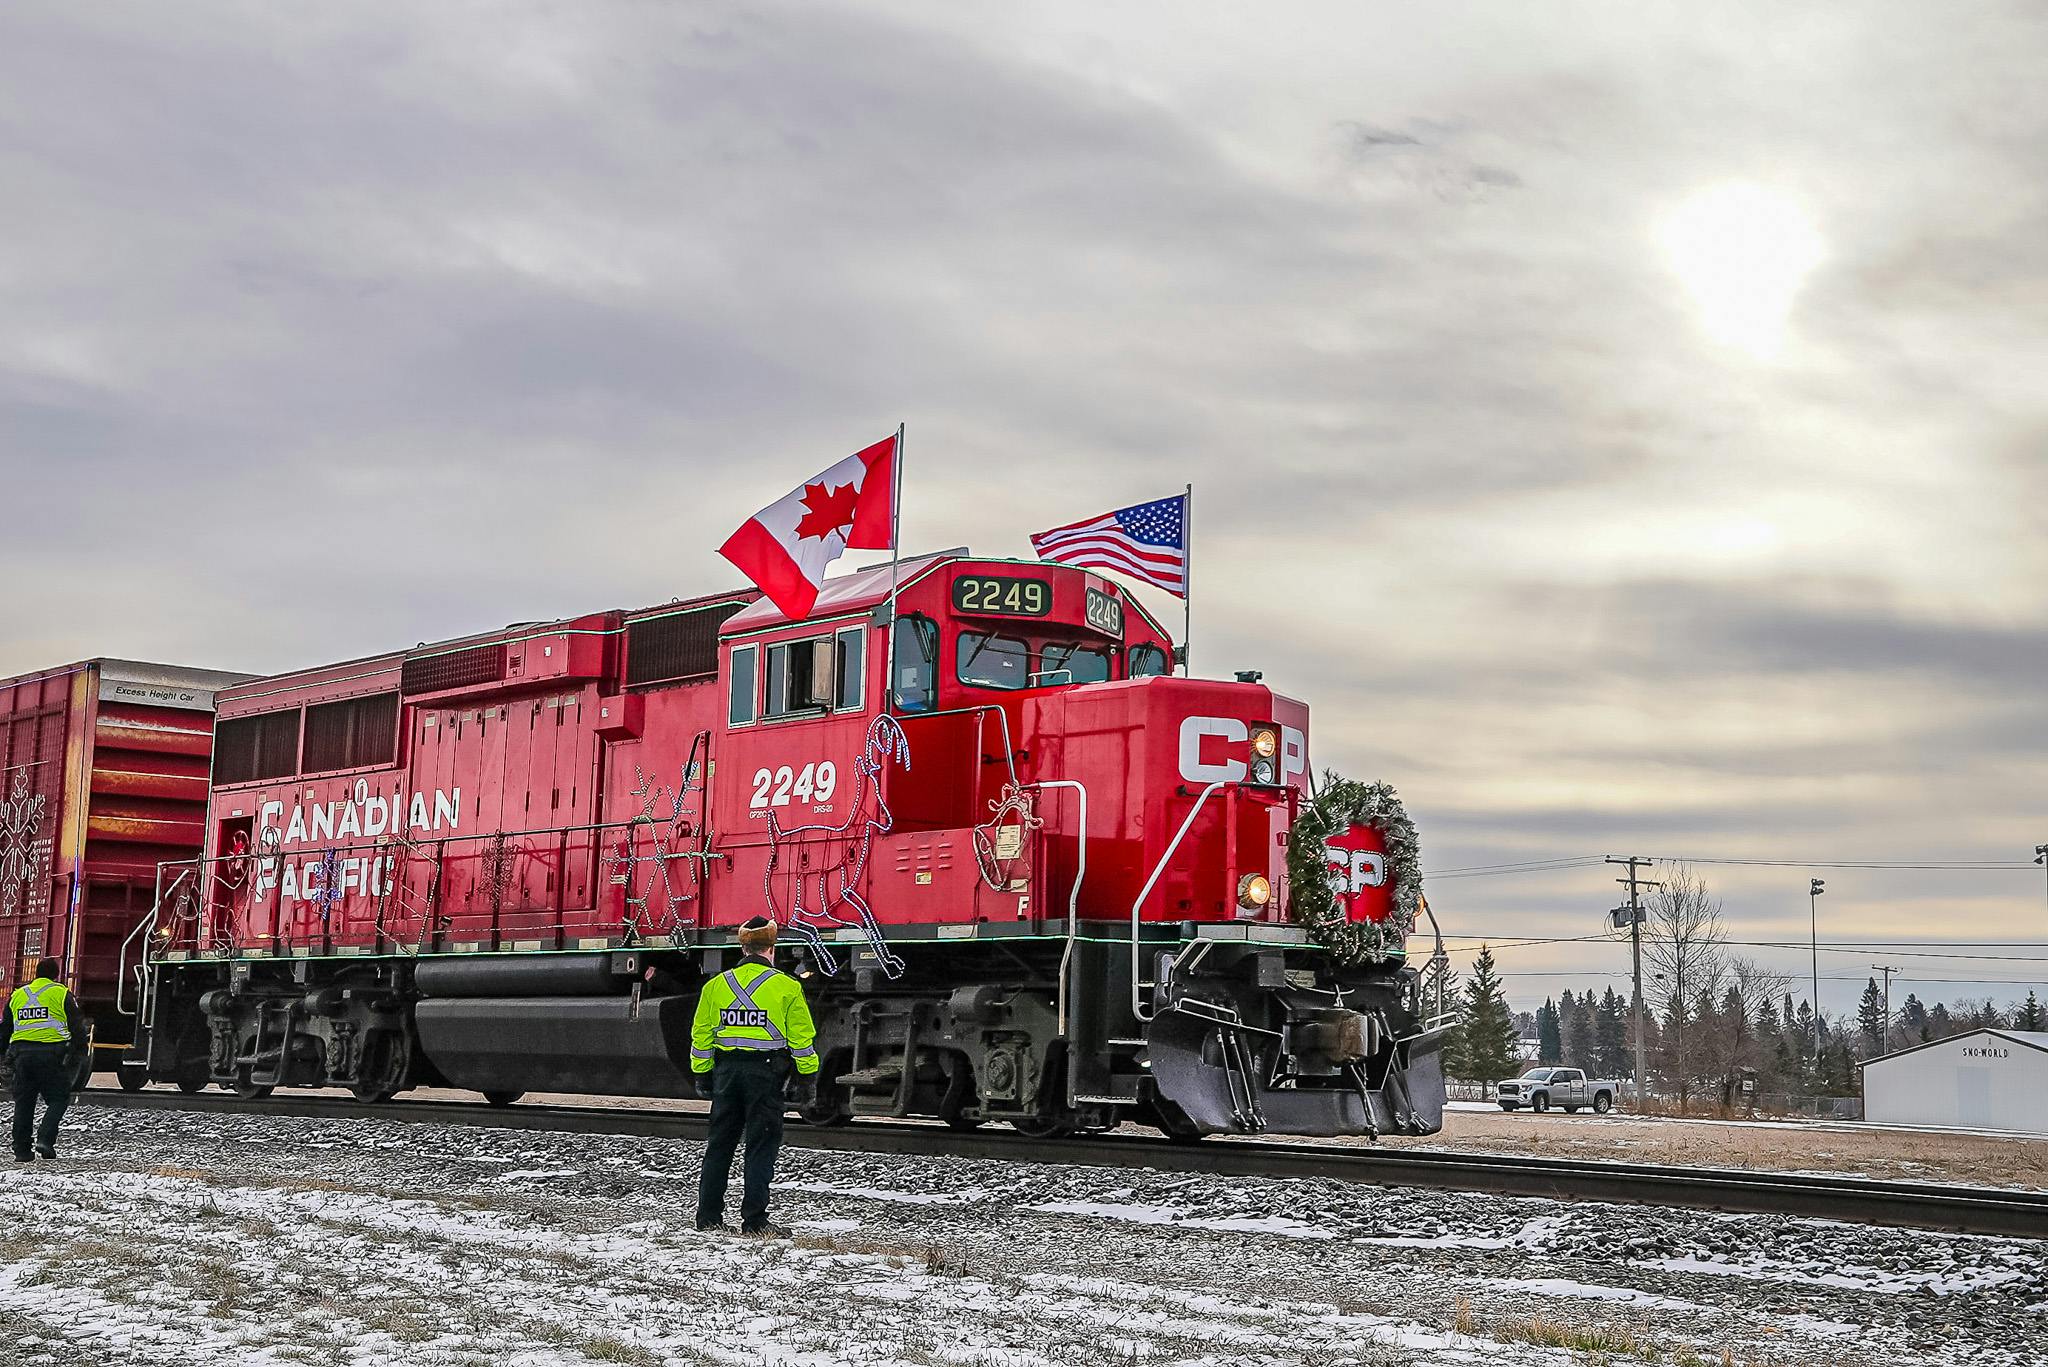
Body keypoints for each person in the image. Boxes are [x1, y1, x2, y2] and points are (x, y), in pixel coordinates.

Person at [690, 915, 819, 1236]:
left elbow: (701, 1037)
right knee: (760, 1146)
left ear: (743, 947)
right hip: (766, 1075)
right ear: (771, 949)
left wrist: (703, 1075)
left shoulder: (715, 986)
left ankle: (708, 1218)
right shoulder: (788, 987)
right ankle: (754, 1221)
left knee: (719, 1145)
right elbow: (802, 1041)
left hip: (726, 1074)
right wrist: (807, 1079)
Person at [6, 958, 82, 1162]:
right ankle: (45, 1140)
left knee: (24, 1103)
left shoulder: (18, 995)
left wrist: (5, 1058)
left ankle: (21, 1151)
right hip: (52, 1055)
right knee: (58, 1098)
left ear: (36, 974)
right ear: (55, 975)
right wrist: (78, 1053)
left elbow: (5, 1029)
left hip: (22, 1056)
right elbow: (77, 1026)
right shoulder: (61, 993)